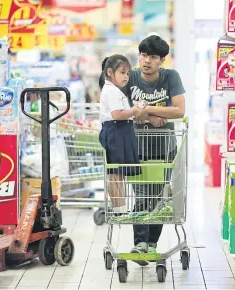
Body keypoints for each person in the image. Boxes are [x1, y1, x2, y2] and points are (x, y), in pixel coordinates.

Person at [121, 35, 186, 266]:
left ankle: (151, 244)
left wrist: (146, 109)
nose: (147, 60)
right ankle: (140, 244)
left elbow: (179, 110)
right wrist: (152, 115)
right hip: (136, 148)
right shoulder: (130, 78)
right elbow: (122, 109)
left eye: (153, 57)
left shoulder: (171, 77)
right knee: (141, 195)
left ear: (162, 61)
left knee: (157, 197)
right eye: (143, 55)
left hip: (164, 148)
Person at [99, 54, 146, 213]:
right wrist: (134, 110)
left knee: (118, 172)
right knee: (116, 172)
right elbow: (117, 114)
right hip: (115, 132)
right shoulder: (111, 91)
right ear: (110, 73)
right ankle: (119, 208)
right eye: (122, 72)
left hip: (119, 131)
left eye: (127, 73)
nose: (126, 76)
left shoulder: (114, 90)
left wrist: (133, 114)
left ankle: (121, 207)